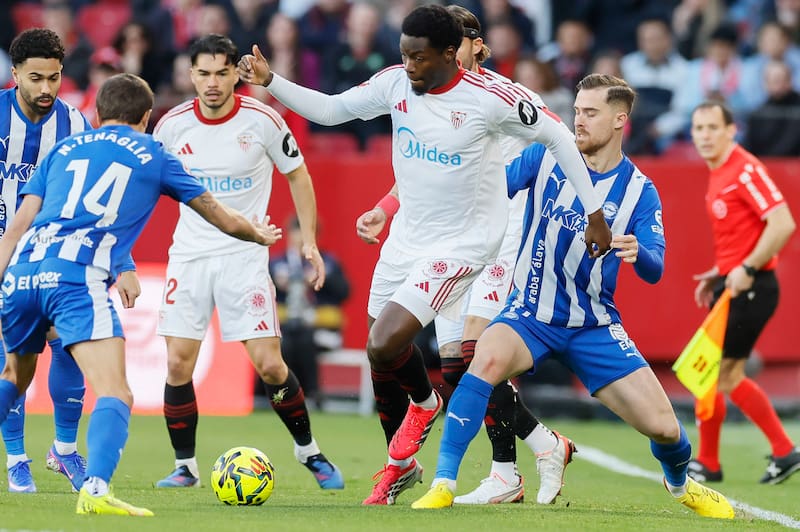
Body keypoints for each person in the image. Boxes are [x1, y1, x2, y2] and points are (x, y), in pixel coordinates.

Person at [237, 4, 612, 505]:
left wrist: (594, 213)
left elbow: (560, 137)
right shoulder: (395, 83)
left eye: (418, 57)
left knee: (404, 344)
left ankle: (454, 431)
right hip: (409, 237)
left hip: (470, 243)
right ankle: (416, 459)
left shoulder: (493, 98)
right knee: (389, 355)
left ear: (453, 52)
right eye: (405, 55)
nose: (409, 66)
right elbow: (332, 110)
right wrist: (272, 81)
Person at [411, 74, 735, 521]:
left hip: (594, 326)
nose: (577, 121)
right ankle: (444, 483)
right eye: (576, 111)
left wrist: (638, 252)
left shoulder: (640, 190)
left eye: (590, 113)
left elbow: (656, 267)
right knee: (481, 360)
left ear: (620, 120)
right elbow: (491, 190)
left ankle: (681, 485)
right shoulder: (546, 155)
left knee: (665, 429)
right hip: (529, 314)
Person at [0, 72, 281, 516]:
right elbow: (221, 217)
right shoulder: (155, 153)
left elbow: (19, 223)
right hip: (76, 277)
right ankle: (94, 490)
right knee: (116, 391)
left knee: (14, 378)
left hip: (23, 271)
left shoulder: (61, 149)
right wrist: (257, 233)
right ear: (148, 117)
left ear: (97, 114)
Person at [357, 4, 577, 506]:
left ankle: (507, 469)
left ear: (479, 46)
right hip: (440, 239)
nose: (461, 46)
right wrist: (386, 207)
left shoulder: (500, 97)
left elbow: (556, 144)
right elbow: (425, 169)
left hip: (498, 239)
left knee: (475, 356)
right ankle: (524, 456)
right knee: (449, 366)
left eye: (469, 37)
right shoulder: (429, 94)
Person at [153, 34, 343, 490]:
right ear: (190, 75)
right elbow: (146, 185)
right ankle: (186, 468)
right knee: (178, 363)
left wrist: (310, 242)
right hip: (191, 255)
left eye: (221, 72)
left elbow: (298, 174)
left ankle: (309, 452)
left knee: (270, 366)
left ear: (235, 73)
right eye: (203, 73)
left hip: (245, 256)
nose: (213, 83)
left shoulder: (263, 120)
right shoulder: (172, 126)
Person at [1, 27, 138, 494]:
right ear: (14, 72)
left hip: (57, 256)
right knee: (14, 361)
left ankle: (63, 449)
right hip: (6, 254)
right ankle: (16, 458)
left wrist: (125, 261)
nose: (45, 89)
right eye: (35, 77)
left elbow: (103, 202)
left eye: (54, 78)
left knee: (66, 348)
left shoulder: (77, 126)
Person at [688, 100, 800, 485]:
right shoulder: (721, 172)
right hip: (736, 283)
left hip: (752, 287)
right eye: (698, 128)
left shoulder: (744, 169)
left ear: (731, 130)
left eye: (712, 128)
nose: (704, 136)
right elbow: (746, 235)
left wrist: (747, 269)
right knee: (716, 374)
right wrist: (719, 272)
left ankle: (711, 461)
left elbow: (783, 224)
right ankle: (778, 452)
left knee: (714, 374)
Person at [270, 216, 350, 408]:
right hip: (286, 328)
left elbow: (344, 292)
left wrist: (322, 279)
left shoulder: (327, 262)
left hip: (320, 329)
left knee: (303, 338)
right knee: (288, 340)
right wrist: (277, 284)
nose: (299, 240)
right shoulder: (276, 263)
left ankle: (304, 393)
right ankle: (293, 393)